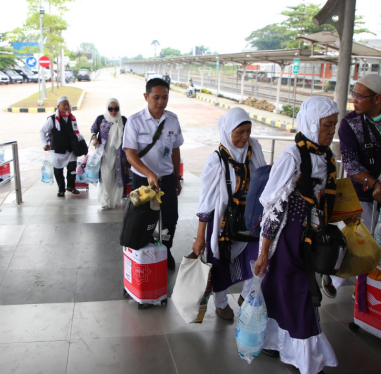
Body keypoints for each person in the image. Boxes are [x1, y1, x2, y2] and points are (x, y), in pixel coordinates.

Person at [254, 96, 339, 374]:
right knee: (298, 292)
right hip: (288, 237)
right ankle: (305, 358)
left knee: (285, 290)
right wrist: (264, 251)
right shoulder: (293, 156)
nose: (331, 131)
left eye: (334, 125)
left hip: (311, 236)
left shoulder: (325, 155)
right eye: (326, 125)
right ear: (312, 124)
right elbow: (273, 206)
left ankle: (274, 342)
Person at [322, 74, 381, 298]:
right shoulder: (350, 124)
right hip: (364, 192)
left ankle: (369, 289)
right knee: (362, 242)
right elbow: (351, 163)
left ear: (377, 98)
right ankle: (337, 278)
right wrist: (375, 184)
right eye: (353, 94)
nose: (353, 100)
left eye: (359, 96)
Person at [193, 107, 266, 320]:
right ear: (227, 132)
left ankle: (246, 295)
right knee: (221, 265)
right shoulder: (216, 160)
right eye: (239, 132)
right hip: (223, 224)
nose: (245, 137)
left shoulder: (255, 149)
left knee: (257, 261)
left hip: (251, 219)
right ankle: (221, 303)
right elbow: (205, 201)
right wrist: (200, 237)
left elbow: (264, 177)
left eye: (248, 131)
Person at [123, 78, 184, 270]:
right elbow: (130, 154)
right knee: (143, 218)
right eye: (156, 97)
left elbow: (175, 150)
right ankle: (144, 252)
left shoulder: (172, 120)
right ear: (146, 96)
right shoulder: (134, 121)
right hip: (143, 180)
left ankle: (166, 250)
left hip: (166, 179)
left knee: (170, 218)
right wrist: (148, 174)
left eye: (165, 97)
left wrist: (176, 177)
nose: (161, 102)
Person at [40, 96, 83, 197]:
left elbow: (76, 132)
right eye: (64, 104)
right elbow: (42, 131)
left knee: (72, 169)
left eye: (67, 104)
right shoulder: (52, 119)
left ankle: (71, 186)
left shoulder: (72, 118)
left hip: (71, 149)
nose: (66, 106)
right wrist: (44, 144)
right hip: (58, 150)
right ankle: (61, 188)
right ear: (58, 106)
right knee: (58, 171)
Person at [90, 98, 128, 209]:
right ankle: (105, 201)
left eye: (116, 108)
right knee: (106, 178)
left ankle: (115, 200)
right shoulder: (101, 119)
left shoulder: (123, 120)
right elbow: (93, 129)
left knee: (117, 178)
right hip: (105, 154)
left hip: (120, 154)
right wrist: (94, 138)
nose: (113, 111)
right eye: (110, 108)